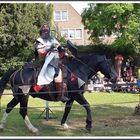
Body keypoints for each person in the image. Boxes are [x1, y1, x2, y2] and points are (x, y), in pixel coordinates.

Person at [34, 24, 69, 102]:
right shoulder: (39, 41)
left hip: (57, 61)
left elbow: (60, 48)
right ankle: (60, 96)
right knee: (57, 75)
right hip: (46, 63)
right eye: (44, 30)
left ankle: (69, 91)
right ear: (41, 31)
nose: (46, 32)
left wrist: (64, 51)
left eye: (47, 30)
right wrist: (50, 48)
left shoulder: (53, 39)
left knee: (68, 70)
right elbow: (41, 52)